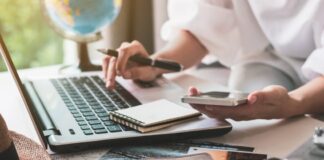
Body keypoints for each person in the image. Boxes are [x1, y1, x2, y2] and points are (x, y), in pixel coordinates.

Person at [102, 0, 324, 121]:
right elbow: (203, 28)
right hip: (272, 57)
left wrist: (294, 104)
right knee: (251, 110)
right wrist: (153, 63)